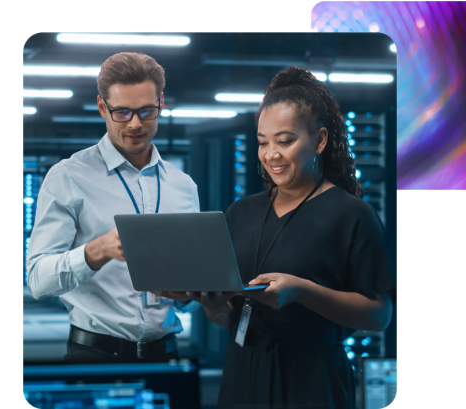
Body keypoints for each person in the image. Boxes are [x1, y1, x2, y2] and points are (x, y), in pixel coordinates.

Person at [164, 66, 398, 409]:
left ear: (319, 140)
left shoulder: (351, 214)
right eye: (263, 142)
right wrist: (213, 306)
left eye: (285, 141)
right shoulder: (239, 213)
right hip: (243, 370)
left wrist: (300, 291)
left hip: (311, 376)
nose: (271, 153)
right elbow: (230, 315)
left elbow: (379, 316)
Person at [26, 52, 202, 363]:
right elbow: (38, 280)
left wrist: (194, 291)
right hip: (94, 355)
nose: (135, 124)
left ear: (161, 102)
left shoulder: (184, 186)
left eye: (146, 111)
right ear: (101, 107)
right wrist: (98, 250)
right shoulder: (68, 176)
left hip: (166, 354)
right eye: (122, 112)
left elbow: (190, 294)